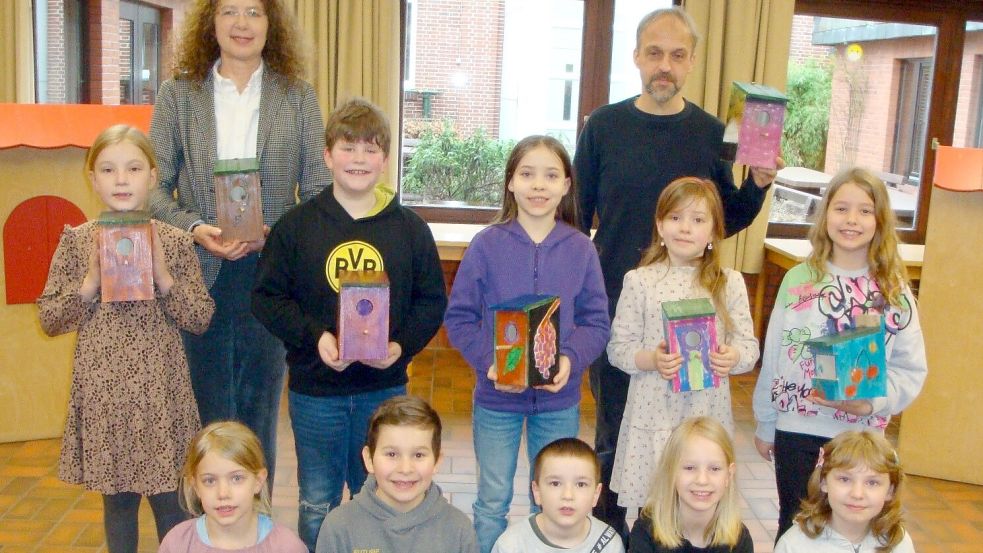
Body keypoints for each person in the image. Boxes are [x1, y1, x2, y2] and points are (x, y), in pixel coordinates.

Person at [573, 7, 779, 536]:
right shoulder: (603, 126)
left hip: (694, 309)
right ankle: (615, 538)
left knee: (691, 445)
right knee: (618, 436)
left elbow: (726, 216)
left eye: (678, 55)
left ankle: (682, 538)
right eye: (655, 53)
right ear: (637, 57)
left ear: (691, 62)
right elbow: (578, 214)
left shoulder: (714, 133)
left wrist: (757, 182)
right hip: (622, 306)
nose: (665, 65)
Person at [148, 0, 331, 485]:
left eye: (254, 11)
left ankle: (258, 523)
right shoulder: (178, 95)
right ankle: (212, 525)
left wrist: (278, 232)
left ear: (272, 25)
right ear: (212, 22)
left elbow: (316, 190)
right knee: (206, 412)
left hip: (269, 274)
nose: (242, 23)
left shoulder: (298, 96)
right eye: (230, 11)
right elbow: (152, 187)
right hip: (197, 273)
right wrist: (194, 229)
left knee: (259, 409)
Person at [252, 97, 447, 549]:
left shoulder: (410, 229)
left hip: (385, 390)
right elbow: (266, 297)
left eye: (371, 148)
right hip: (316, 389)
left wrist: (400, 346)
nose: (359, 158)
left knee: (379, 496)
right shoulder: (296, 227)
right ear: (327, 156)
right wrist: (315, 337)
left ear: (385, 159)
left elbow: (431, 301)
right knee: (317, 500)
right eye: (347, 146)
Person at [37, 124, 214, 552]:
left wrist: (163, 277)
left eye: (133, 169)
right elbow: (50, 318)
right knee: (117, 507)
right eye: (109, 170)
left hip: (161, 394)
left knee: (172, 507)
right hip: (105, 397)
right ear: (92, 177)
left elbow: (200, 318)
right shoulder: (77, 242)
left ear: (152, 177)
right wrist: (91, 282)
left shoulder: (174, 242)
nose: (121, 180)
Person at [444, 135, 610, 553]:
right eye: (528, 174)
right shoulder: (486, 245)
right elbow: (460, 319)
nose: (539, 185)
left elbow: (596, 322)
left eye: (551, 175)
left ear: (567, 185)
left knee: (557, 501)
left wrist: (571, 359)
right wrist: (491, 363)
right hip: (496, 400)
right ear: (510, 183)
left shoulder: (581, 249)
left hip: (558, 402)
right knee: (492, 502)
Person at [752, 167, 928, 540]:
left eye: (865, 211)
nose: (852, 220)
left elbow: (911, 369)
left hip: (860, 438)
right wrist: (766, 422)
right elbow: (774, 358)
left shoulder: (893, 291)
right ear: (825, 214)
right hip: (796, 431)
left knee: (854, 531)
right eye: (841, 208)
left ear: (880, 221)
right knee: (796, 527)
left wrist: (873, 403)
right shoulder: (798, 280)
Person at [606, 177, 759, 516]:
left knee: (700, 509)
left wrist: (731, 357)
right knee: (653, 510)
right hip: (654, 412)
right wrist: (652, 359)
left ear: (714, 232)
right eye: (675, 218)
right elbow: (618, 349)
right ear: (659, 225)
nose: (685, 228)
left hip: (706, 412)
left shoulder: (729, 283)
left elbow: (748, 347)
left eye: (698, 219)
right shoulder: (640, 280)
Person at [315, 395, 477, 552]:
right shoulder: (338, 528)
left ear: (437, 461)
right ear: (369, 459)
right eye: (392, 454)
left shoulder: (459, 530)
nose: (405, 469)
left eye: (418, 455)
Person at [159, 421, 307, 551]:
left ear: (258, 481)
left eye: (236, 478)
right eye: (210, 481)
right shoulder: (177, 544)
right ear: (195, 486)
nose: (223, 493)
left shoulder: (286, 547)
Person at [774, 430, 915, 552]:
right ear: (823, 482)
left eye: (872, 482)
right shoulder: (793, 546)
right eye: (844, 479)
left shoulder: (898, 542)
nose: (857, 494)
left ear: (890, 491)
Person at [627, 417, 753, 553]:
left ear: (729, 475)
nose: (702, 480)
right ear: (671, 472)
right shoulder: (646, 532)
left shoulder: (740, 540)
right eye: (689, 468)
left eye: (714, 469)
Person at [492, 438, 625, 553]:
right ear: (536, 492)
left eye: (581, 484)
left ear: (596, 494)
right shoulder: (511, 545)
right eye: (555, 483)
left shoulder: (609, 544)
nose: (567, 495)